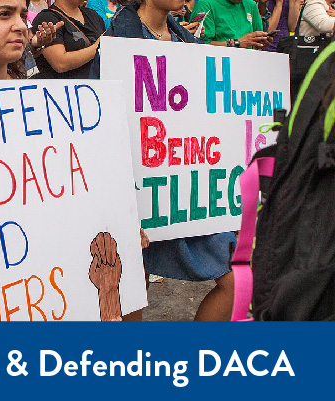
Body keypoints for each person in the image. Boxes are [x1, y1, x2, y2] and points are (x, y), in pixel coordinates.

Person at [102, 0, 237, 321]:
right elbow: (103, 129)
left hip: (189, 194)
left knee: (235, 280)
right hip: (137, 196)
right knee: (133, 289)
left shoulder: (189, 44)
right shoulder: (118, 42)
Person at [30, 0, 105, 79]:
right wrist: (97, 47)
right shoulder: (47, 17)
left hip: (97, 86)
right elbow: (60, 64)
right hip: (63, 88)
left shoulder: (93, 15)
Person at [191, 0, 272, 49]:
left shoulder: (251, 5)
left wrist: (261, 43)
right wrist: (236, 43)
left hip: (248, 65)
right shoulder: (205, 4)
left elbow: (255, 43)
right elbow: (196, 44)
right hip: (218, 67)